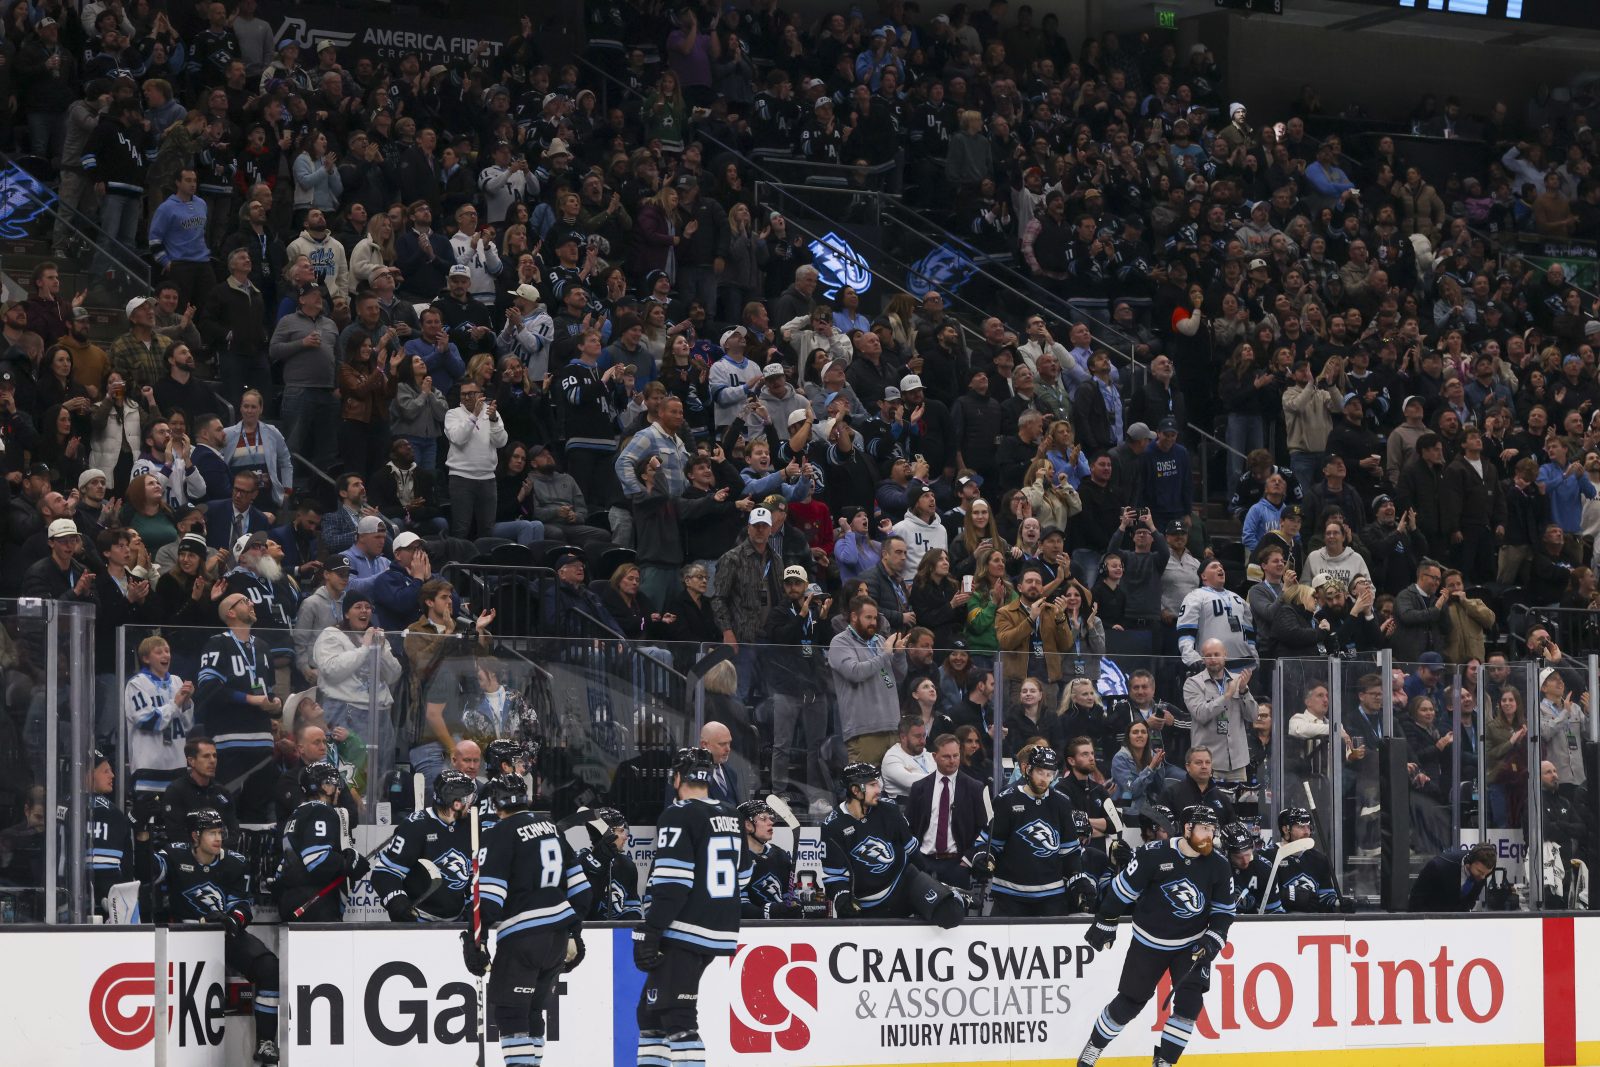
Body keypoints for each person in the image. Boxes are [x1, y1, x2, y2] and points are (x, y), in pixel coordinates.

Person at [1077, 805, 1235, 1067]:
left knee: (1189, 1004)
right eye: (1204, 829)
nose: (1210, 835)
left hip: (1190, 944)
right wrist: (1106, 919)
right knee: (1131, 1001)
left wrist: (1213, 938)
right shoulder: (1153, 855)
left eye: (1212, 829)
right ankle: (1094, 1047)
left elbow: (1224, 911)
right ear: (1187, 829)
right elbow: (1121, 891)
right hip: (1148, 941)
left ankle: (1164, 1062)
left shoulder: (1218, 865)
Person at [632, 748, 751, 1067]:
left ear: (677, 778)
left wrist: (651, 930)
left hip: (685, 930)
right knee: (649, 1013)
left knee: (677, 1016)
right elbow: (744, 872)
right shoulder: (730, 812)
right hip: (718, 928)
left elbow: (672, 886)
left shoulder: (677, 813)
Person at [462, 773, 591, 1067]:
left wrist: (474, 938)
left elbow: (490, 899)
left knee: (511, 1013)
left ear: (495, 804)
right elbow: (582, 892)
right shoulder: (554, 830)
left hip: (523, 938)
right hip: (557, 938)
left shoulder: (498, 833)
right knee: (533, 1012)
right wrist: (575, 932)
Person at [153, 809, 280, 1064]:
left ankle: (266, 1042)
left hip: (226, 933)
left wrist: (231, 920)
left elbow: (243, 906)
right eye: (211, 833)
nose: (218, 838)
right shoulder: (173, 854)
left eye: (220, 832)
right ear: (195, 836)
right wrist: (144, 839)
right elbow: (149, 875)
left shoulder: (235, 861)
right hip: (184, 935)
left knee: (269, 967)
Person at [194, 592, 281, 825]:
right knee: (226, 809)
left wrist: (275, 703)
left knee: (258, 810)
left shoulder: (262, 646)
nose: (251, 603)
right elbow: (208, 690)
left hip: (262, 741)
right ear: (230, 613)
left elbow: (267, 689)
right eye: (244, 601)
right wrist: (249, 700)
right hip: (228, 740)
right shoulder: (217, 643)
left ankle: (254, 859)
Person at [972, 745, 1086, 915]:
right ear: (1028, 770)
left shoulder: (1062, 803)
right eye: (1040, 772)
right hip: (1009, 894)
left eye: (1049, 774)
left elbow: (1070, 852)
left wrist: (1078, 878)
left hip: (1051, 894)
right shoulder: (1007, 799)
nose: (1044, 779)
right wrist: (983, 857)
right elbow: (990, 844)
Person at [369, 769, 476, 923]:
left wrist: (474, 903)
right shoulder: (416, 826)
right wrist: (397, 901)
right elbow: (385, 873)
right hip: (420, 920)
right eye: (467, 798)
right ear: (455, 802)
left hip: (458, 922)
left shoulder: (472, 824)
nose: (470, 802)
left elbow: (475, 873)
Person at [273, 762, 367, 923]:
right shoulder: (321, 810)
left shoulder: (298, 812)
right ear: (325, 786)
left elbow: (284, 866)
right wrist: (347, 863)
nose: (338, 790)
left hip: (291, 898)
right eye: (335, 785)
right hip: (315, 902)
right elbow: (316, 859)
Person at [827, 596, 908, 765]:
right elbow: (854, 672)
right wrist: (885, 655)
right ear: (854, 617)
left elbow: (899, 675)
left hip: (892, 726)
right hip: (864, 731)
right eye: (868, 618)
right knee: (864, 787)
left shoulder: (879, 640)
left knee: (893, 789)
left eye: (875, 618)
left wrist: (899, 655)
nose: (873, 622)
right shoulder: (840, 642)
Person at [905, 732, 989, 890]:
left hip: (957, 865)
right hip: (924, 863)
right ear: (934, 756)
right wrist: (915, 858)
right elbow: (908, 827)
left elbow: (984, 828)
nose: (952, 761)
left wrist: (968, 860)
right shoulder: (919, 788)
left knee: (956, 913)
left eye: (956, 756)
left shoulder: (974, 788)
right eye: (946, 756)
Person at [124, 635, 195, 798]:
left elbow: (188, 725)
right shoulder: (137, 684)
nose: (166, 655)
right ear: (146, 658)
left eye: (167, 651)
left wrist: (187, 702)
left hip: (178, 766)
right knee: (149, 821)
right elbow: (147, 721)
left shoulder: (177, 681)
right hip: (149, 769)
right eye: (159, 652)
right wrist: (175, 703)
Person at [443, 378, 509, 538]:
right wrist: (474, 416)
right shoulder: (453, 414)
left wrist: (493, 420)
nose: (466, 397)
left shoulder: (492, 413)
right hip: (461, 478)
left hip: (488, 479)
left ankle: (485, 562)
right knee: (461, 528)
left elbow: (501, 442)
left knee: (488, 529)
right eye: (463, 394)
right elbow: (459, 438)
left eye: (470, 394)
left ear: (481, 395)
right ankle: (458, 562)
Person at [1183, 640, 1256, 783]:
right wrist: (1226, 696)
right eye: (1208, 655)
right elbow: (1201, 714)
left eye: (1217, 654)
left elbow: (1253, 716)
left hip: (1237, 762)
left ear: (1225, 655)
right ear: (1203, 659)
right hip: (1207, 764)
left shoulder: (1238, 680)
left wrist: (1243, 691)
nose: (1213, 659)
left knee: (1238, 805)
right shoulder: (1193, 683)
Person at [1271, 806, 1354, 913]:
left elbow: (1326, 897)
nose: (1307, 832)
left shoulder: (1319, 859)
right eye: (1301, 827)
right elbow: (1261, 898)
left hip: (1312, 924)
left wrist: (1339, 904)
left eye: (1308, 827)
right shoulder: (1269, 856)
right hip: (1280, 925)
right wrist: (1286, 895)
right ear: (1286, 829)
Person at [1177, 561, 1257, 668]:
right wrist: (1191, 657)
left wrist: (1255, 656)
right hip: (1212, 665)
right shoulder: (1195, 596)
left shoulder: (1238, 599)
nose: (1220, 569)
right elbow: (1186, 631)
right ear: (1203, 576)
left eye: (1221, 567)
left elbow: (1249, 633)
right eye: (1214, 567)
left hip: (1244, 665)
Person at [160, 737, 240, 844]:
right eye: (206, 756)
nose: (212, 761)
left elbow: (233, 831)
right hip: (188, 856)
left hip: (220, 854)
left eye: (214, 756)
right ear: (191, 761)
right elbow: (175, 834)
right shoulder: (176, 791)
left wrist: (219, 852)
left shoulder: (222, 792)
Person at [86, 751, 135, 919]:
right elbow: (108, 873)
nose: (112, 775)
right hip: (104, 909)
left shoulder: (60, 804)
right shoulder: (108, 813)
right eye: (105, 771)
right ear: (87, 773)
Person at [738, 799, 806, 919]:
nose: (770, 823)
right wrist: (771, 912)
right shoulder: (737, 858)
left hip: (781, 928)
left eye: (770, 818)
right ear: (747, 825)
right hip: (750, 931)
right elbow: (740, 905)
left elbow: (789, 895)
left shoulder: (780, 855)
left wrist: (795, 905)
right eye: (763, 819)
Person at [573, 805, 643, 921]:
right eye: (621, 831)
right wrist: (599, 870)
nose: (625, 836)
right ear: (605, 835)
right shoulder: (579, 862)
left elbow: (632, 911)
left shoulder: (626, 865)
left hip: (615, 936)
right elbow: (580, 911)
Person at [1407, 842, 1498, 912]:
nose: (1483, 877)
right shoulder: (1439, 867)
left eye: (1486, 874)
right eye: (1480, 872)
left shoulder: (1482, 872)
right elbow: (1416, 900)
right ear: (1469, 862)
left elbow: (1469, 902)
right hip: (1430, 919)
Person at [880, 714, 934, 800]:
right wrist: (939, 776)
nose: (923, 741)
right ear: (903, 737)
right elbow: (913, 783)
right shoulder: (892, 758)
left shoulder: (926, 754)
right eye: (917, 736)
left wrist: (915, 773)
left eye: (924, 735)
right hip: (903, 808)